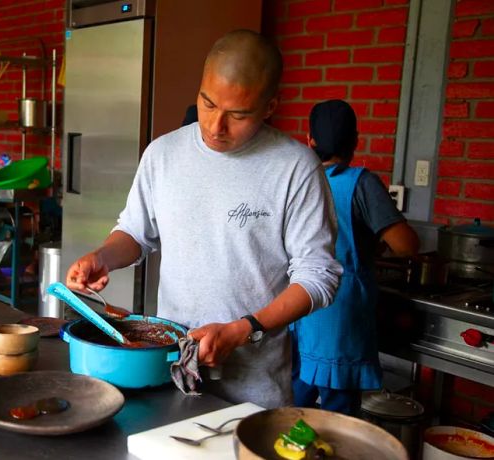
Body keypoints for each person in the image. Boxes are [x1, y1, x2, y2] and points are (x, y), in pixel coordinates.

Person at [65, 30, 343, 408]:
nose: (215, 126)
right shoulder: (162, 154)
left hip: (251, 392)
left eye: (238, 114)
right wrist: (104, 256)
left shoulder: (295, 168)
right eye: (208, 103)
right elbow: (135, 231)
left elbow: (318, 277)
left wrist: (246, 329)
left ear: (269, 106)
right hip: (168, 375)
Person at [291, 99, 420, 415]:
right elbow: (406, 245)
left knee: (294, 407)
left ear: (310, 141)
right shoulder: (361, 183)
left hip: (299, 309)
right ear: (355, 141)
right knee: (338, 417)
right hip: (340, 314)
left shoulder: (297, 181)